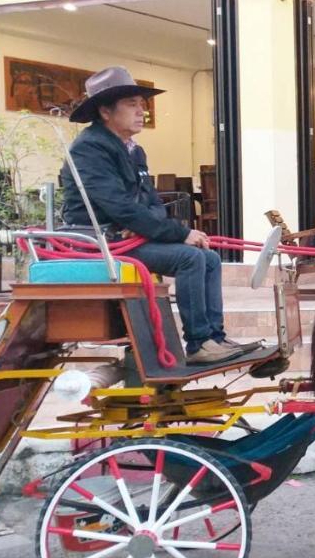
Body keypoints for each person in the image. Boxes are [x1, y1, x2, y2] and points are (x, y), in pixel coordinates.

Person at [59, 66, 253, 365]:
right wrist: (177, 232)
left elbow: (151, 203)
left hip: (128, 234)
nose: (142, 111)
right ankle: (198, 342)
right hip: (99, 240)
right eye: (132, 105)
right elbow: (118, 205)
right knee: (189, 257)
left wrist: (144, 226)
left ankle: (215, 336)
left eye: (142, 104)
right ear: (106, 112)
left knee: (210, 258)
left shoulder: (134, 151)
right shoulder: (89, 148)